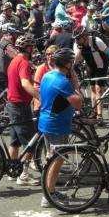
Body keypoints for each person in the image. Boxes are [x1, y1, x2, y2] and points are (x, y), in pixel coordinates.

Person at [39, 48, 83, 208]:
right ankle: (48, 195)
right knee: (56, 161)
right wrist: (75, 82)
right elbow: (78, 102)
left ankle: (50, 190)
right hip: (57, 125)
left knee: (51, 158)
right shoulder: (62, 81)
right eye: (71, 63)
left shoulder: (47, 76)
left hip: (46, 121)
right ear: (67, 64)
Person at [5, 36, 41, 186]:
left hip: (12, 104)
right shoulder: (24, 63)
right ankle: (23, 175)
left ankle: (13, 171)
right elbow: (25, 83)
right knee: (30, 143)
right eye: (32, 48)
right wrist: (41, 97)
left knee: (14, 141)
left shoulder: (14, 61)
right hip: (20, 107)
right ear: (29, 49)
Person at [73, 26, 109, 120]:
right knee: (92, 89)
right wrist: (80, 49)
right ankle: (94, 112)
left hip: (101, 65)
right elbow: (76, 61)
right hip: (90, 66)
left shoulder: (96, 41)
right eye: (75, 39)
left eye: (78, 38)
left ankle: (99, 115)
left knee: (98, 89)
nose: (76, 40)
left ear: (85, 36)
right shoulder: (77, 44)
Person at [0, 25, 20, 94]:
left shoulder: (5, 42)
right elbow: (16, 56)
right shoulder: (7, 44)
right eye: (15, 34)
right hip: (0, 76)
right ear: (9, 34)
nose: (17, 36)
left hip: (0, 74)